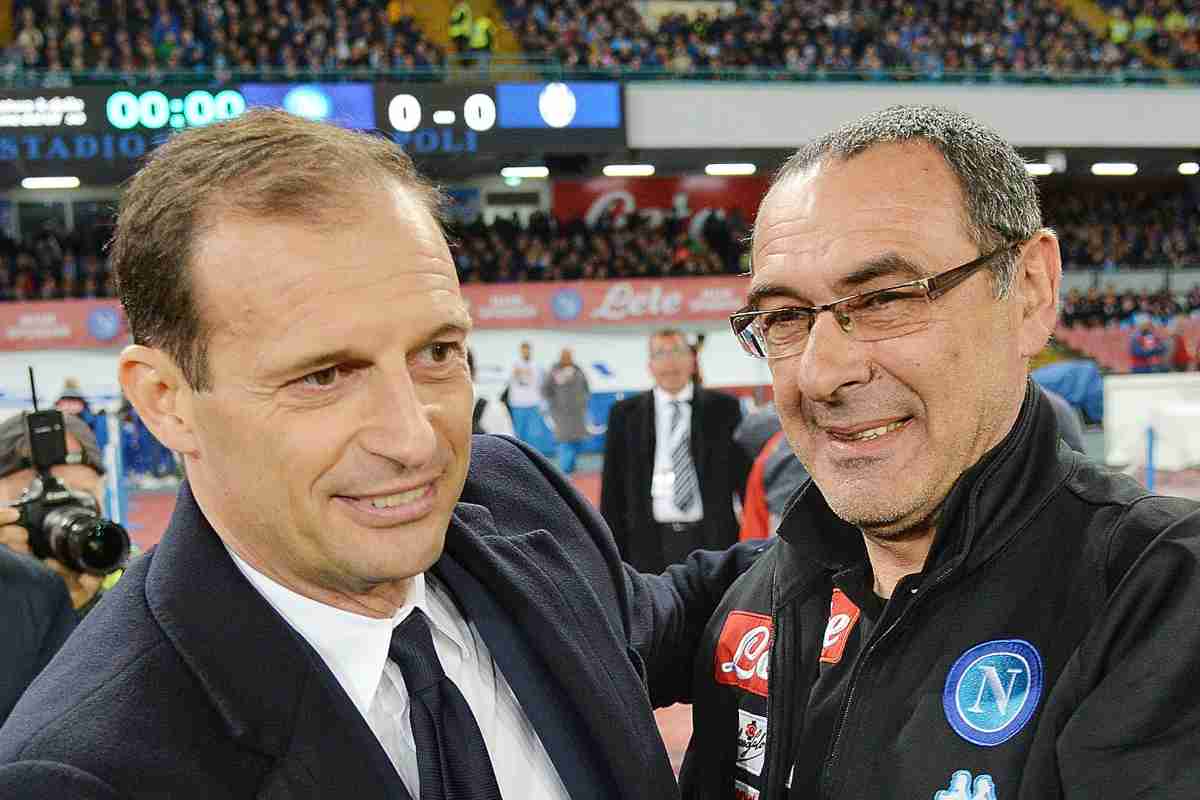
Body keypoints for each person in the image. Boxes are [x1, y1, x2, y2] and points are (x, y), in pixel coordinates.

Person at [0, 109, 760, 799]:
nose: (415, 439)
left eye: (437, 352)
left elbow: (660, 621)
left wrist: (865, 507)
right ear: (165, 399)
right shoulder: (82, 775)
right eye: (324, 376)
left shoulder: (510, 495)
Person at [684, 105, 1200, 799]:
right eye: (783, 317)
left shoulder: (1159, 593)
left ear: (1031, 292)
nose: (819, 373)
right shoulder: (765, 593)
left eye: (884, 298)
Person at [601, 329, 751, 574]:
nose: (670, 361)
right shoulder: (624, 415)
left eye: (677, 352)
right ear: (650, 365)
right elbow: (612, 490)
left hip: (713, 539)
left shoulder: (724, 410)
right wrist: (611, 551)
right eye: (661, 353)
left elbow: (744, 480)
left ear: (692, 361)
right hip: (647, 543)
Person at [0, 412, 111, 612]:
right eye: (35, 500)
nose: (64, 519)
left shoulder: (142, 580)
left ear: (102, 493)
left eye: (80, 498)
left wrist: (85, 608)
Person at [541, 348, 591, 474]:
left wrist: (583, 401)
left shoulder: (578, 370)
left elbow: (586, 387)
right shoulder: (554, 371)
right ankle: (564, 471)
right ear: (561, 357)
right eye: (565, 356)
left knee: (576, 442)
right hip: (561, 414)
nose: (567, 358)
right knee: (564, 442)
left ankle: (572, 469)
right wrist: (555, 404)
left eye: (569, 356)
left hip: (578, 414)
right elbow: (545, 390)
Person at [505, 341, 546, 444]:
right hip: (518, 404)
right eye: (523, 350)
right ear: (520, 351)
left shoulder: (537, 366)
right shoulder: (513, 365)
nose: (525, 352)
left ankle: (533, 457)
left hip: (533, 404)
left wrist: (543, 404)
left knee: (534, 435)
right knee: (518, 435)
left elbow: (541, 385)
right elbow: (506, 380)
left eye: (527, 350)